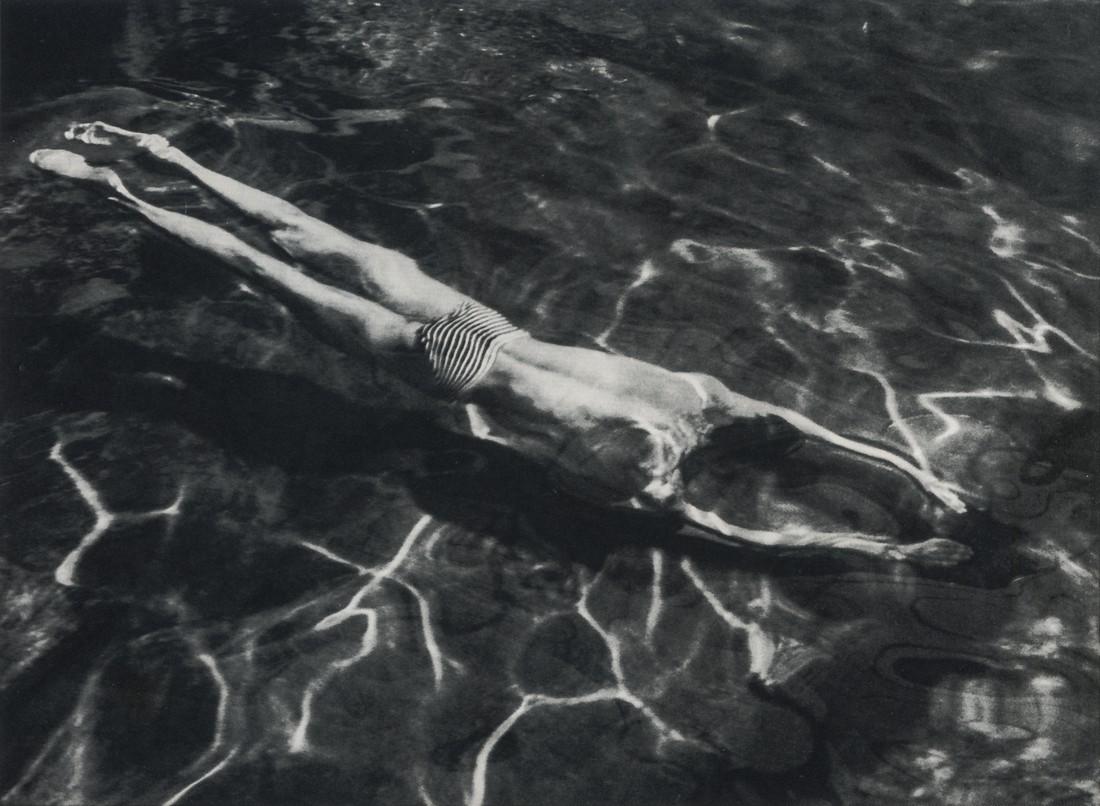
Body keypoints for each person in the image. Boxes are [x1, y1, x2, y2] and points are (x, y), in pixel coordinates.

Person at [30, 122, 973, 566]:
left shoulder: (704, 394)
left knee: (306, 239)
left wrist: (921, 483)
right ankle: (118, 185)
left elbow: (815, 437)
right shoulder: (650, 478)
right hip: (458, 365)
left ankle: (163, 158)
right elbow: (755, 534)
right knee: (269, 267)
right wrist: (884, 547)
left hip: (479, 323)